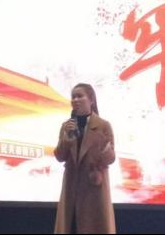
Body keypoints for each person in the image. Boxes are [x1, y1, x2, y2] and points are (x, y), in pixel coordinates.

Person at [54, 83, 116, 234]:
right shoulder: (67, 126)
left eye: (80, 96)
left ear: (91, 100)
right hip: (71, 188)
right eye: (73, 97)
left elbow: (110, 159)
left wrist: (104, 147)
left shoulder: (103, 125)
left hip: (93, 190)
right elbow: (60, 156)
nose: (75, 100)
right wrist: (67, 138)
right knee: (71, 227)